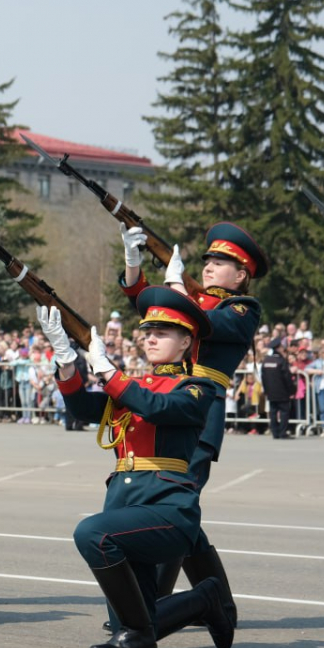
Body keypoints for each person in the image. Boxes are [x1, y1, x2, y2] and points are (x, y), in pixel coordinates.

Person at [38, 287, 234, 648]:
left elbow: (158, 407)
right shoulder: (136, 385)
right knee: (135, 621)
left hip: (168, 509)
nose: (151, 338)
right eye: (147, 332)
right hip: (125, 504)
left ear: (186, 341)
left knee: (91, 532)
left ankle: (150, 627)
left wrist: (110, 372)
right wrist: (67, 362)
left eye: (162, 332)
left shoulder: (197, 387)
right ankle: (201, 601)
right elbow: (83, 408)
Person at [120, 221, 267, 616]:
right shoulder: (197, 299)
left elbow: (202, 323)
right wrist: (134, 266)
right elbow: (152, 307)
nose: (209, 266)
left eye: (221, 262)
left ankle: (149, 605)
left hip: (199, 413)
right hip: (165, 404)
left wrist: (180, 287)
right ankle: (217, 603)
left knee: (171, 511)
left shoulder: (242, 308)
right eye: (208, 260)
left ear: (241, 275)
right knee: (175, 511)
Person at [261, 340, 295, 439]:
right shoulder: (281, 361)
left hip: (271, 392)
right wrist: (292, 390)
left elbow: (263, 377)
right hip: (282, 392)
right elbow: (287, 377)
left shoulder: (266, 360)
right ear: (278, 348)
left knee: (273, 412)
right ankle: (282, 433)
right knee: (284, 412)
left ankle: (275, 433)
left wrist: (266, 390)